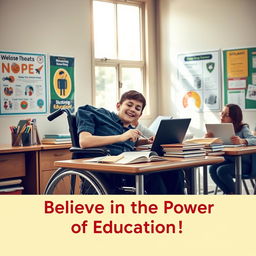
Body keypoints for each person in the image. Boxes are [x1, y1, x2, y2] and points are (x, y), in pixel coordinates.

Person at [76, 90, 184, 194]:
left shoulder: (129, 130)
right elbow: (84, 141)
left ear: (140, 115)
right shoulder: (97, 114)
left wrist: (145, 142)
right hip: (107, 170)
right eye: (129, 105)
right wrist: (122, 137)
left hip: (128, 167)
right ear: (118, 106)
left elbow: (123, 143)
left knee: (175, 172)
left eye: (137, 108)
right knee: (154, 178)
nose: (132, 109)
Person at [207, 104, 256, 194]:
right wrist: (208, 139)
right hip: (230, 161)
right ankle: (229, 193)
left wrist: (242, 141)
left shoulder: (243, 128)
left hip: (245, 165)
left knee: (222, 170)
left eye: (226, 115)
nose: (222, 117)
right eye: (222, 114)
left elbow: (254, 139)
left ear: (234, 118)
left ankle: (235, 194)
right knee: (212, 169)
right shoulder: (220, 129)